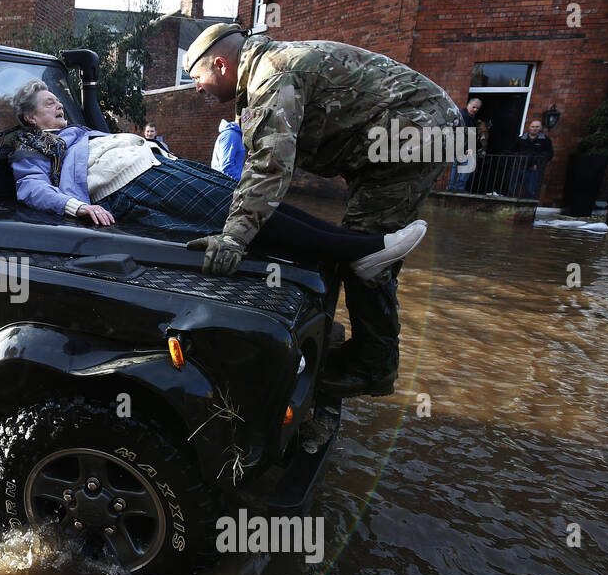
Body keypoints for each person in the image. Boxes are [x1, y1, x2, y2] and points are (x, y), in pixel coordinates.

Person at [182, 23, 461, 398]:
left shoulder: (272, 77)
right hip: (398, 136)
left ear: (220, 64)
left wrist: (234, 237)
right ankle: (350, 345)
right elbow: (263, 164)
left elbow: (270, 167)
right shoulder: (262, 75)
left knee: (366, 255)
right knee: (357, 244)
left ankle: (373, 368)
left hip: (419, 131)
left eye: (197, 77)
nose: (196, 87)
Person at [10, 80, 425, 279]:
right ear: (31, 118)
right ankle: (361, 252)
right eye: (49, 103)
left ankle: (352, 251)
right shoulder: (34, 144)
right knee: (236, 213)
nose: (59, 105)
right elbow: (29, 188)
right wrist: (77, 206)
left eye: (57, 98)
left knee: (253, 199)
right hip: (131, 182)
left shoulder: (73, 132)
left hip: (157, 164)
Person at [447, 96, 486, 191]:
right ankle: (457, 187)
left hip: (463, 146)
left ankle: (453, 187)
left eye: (477, 108)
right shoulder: (464, 117)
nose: (475, 109)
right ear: (468, 105)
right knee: (465, 168)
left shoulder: (469, 117)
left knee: (459, 167)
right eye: (474, 107)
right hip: (464, 147)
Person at [512, 118, 553, 199]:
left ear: (540, 128)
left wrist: (538, 164)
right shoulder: (521, 139)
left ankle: (527, 210)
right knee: (512, 189)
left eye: (537, 127)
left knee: (531, 191)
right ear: (529, 127)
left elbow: (549, 154)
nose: (534, 128)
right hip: (518, 167)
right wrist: (515, 162)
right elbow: (512, 151)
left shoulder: (545, 140)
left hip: (533, 169)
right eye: (533, 126)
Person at [210, 117, 245, 181]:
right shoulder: (231, 135)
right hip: (227, 184)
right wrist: (240, 183)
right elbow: (226, 166)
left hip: (226, 183)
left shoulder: (235, 134)